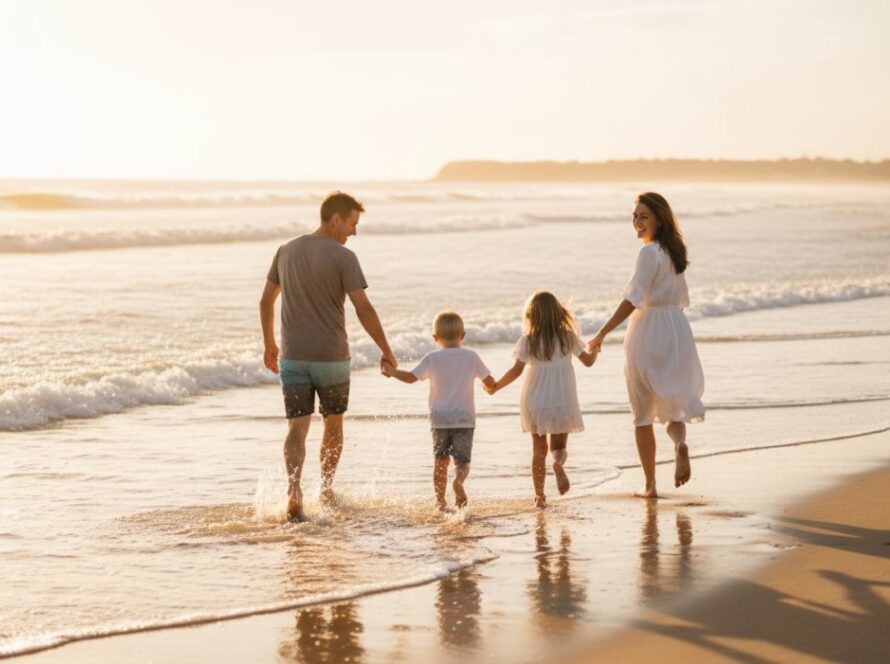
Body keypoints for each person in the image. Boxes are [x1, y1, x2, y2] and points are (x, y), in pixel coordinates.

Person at [259, 191, 397, 522]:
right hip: (332, 358)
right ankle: (325, 489)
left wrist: (269, 344)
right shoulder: (343, 257)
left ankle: (294, 490)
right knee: (333, 427)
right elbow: (363, 309)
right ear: (335, 219)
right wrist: (386, 350)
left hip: (293, 357)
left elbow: (265, 301)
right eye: (352, 223)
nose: (354, 232)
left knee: (296, 428)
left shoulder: (286, 250)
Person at [588, 192, 705, 498]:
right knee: (673, 405)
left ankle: (650, 485)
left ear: (659, 219)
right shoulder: (675, 252)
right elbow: (680, 298)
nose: (637, 223)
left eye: (644, 217)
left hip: (648, 330)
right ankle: (679, 444)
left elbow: (633, 299)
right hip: (677, 331)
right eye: (634, 216)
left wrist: (602, 332)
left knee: (642, 414)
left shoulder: (649, 253)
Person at [487, 292, 598, 507]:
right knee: (559, 446)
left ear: (531, 316)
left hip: (535, 400)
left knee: (538, 451)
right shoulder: (568, 337)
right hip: (562, 399)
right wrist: (596, 350)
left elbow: (516, 371)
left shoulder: (528, 341)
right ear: (559, 313)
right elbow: (588, 362)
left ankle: (539, 495)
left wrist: (496, 386)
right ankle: (558, 464)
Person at [381, 311, 495, 512]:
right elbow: (490, 382)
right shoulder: (471, 357)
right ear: (463, 335)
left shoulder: (432, 358)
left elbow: (410, 378)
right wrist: (489, 388)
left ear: (435, 338)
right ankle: (458, 481)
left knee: (440, 461)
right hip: (464, 419)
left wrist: (392, 372)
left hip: (440, 419)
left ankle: (440, 502)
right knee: (462, 460)